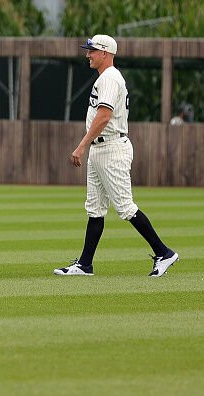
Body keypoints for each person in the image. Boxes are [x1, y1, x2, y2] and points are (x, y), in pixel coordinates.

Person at [54, 35, 179, 277]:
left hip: (112, 148)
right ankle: (85, 265)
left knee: (125, 207)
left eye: (92, 51)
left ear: (105, 53)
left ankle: (164, 253)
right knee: (95, 208)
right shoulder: (105, 78)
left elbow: (104, 116)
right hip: (100, 149)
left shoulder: (110, 78)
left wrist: (81, 146)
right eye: (88, 50)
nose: (88, 55)